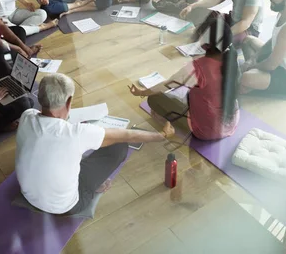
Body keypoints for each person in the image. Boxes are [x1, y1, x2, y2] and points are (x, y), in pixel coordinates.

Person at [15, 73, 175, 215]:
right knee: (119, 146)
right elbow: (127, 134)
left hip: (29, 195)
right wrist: (161, 135)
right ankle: (90, 189)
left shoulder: (26, 115)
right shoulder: (75, 134)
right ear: (69, 101)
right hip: (67, 206)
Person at [129, 13, 240, 141]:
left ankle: (174, 125)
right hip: (231, 122)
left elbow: (165, 86)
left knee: (154, 99)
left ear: (205, 44)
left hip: (208, 131)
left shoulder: (197, 68)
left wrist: (141, 92)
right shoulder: (232, 57)